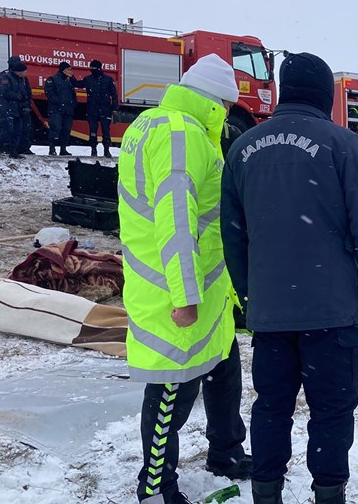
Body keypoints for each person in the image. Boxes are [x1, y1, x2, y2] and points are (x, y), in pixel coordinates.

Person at [220, 52, 358, 504]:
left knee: (272, 407)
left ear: (282, 89)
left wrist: (248, 295)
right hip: (330, 312)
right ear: (323, 93)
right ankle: (329, 493)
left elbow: (232, 236)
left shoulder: (242, 148)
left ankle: (266, 492)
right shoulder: (343, 144)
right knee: (332, 410)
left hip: (271, 312)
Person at [117, 53, 250, 504]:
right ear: (214, 102)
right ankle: (155, 487)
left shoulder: (156, 124)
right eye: (228, 106)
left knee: (223, 368)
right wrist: (185, 295)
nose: (229, 115)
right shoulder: (181, 134)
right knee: (173, 389)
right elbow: (176, 218)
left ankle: (226, 451)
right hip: (175, 288)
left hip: (207, 286)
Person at [0, 56, 32, 158]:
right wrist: (19, 97)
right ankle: (0, 147)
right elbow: (3, 92)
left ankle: (13, 151)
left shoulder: (22, 79)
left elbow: (27, 92)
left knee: (18, 130)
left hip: (18, 109)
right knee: (8, 129)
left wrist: (26, 103)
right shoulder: (4, 76)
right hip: (6, 108)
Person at [82, 59, 119, 157]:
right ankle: (94, 150)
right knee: (93, 131)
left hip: (104, 109)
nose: (92, 70)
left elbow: (114, 95)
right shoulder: (88, 79)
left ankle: (106, 150)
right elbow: (78, 84)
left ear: (99, 68)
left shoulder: (108, 79)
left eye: (93, 68)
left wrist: (115, 108)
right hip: (93, 109)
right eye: (91, 68)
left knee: (105, 131)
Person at [45, 61, 80, 156]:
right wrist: (60, 102)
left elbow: (76, 88)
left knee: (66, 129)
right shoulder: (52, 79)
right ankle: (52, 148)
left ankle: (63, 149)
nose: (71, 71)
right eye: (69, 69)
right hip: (56, 110)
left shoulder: (69, 81)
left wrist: (73, 104)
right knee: (55, 128)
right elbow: (49, 94)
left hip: (68, 110)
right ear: (63, 70)